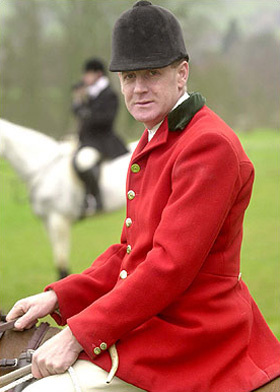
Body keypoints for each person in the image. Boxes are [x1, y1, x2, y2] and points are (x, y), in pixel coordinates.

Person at [6, 1, 280, 392]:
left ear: (181, 73)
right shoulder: (156, 137)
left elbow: (168, 266)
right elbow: (130, 251)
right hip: (154, 317)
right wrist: (58, 297)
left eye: (152, 74)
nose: (138, 88)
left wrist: (79, 333)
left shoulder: (208, 145)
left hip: (195, 333)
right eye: (129, 76)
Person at [72, 57, 128, 212]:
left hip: (101, 141)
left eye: (88, 74)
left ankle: (96, 199)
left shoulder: (109, 95)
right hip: (87, 139)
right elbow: (78, 113)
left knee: (83, 162)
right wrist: (78, 101)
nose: (85, 78)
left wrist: (87, 114)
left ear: (97, 74)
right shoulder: (90, 94)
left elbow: (106, 119)